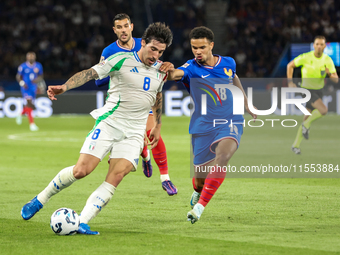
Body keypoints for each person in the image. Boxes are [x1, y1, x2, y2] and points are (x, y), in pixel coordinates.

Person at [21, 22, 173, 235]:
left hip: (135, 132)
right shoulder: (120, 60)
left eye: (161, 52)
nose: (156, 55)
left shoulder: (161, 71)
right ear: (143, 43)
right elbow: (90, 74)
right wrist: (64, 86)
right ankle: (39, 199)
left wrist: (157, 124)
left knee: (116, 176)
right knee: (81, 170)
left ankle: (82, 221)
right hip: (110, 123)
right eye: (153, 49)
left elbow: (157, 95)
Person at [167, 26, 256, 223]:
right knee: (199, 180)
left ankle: (199, 208)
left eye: (202, 47)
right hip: (203, 126)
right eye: (193, 48)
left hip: (231, 120)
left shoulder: (228, 62)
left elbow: (234, 78)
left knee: (223, 157)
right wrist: (165, 69)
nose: (197, 51)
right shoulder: (191, 68)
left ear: (211, 46)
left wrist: (246, 103)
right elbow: (175, 74)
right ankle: (198, 191)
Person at [96, 13, 177, 195]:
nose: (123, 30)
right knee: (130, 137)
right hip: (123, 99)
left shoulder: (146, 43)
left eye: (126, 26)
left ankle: (165, 178)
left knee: (152, 131)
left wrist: (167, 65)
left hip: (145, 95)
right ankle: (144, 155)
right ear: (114, 30)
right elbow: (98, 81)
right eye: (119, 27)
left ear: (131, 26)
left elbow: (158, 64)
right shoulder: (109, 52)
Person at [288, 36, 339, 154]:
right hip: (306, 90)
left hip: (318, 91)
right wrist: (290, 82)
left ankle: (295, 145)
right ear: (314, 45)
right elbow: (290, 65)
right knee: (323, 110)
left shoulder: (328, 60)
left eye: (322, 44)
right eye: (317, 44)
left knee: (307, 116)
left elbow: (336, 79)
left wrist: (330, 75)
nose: (319, 47)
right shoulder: (306, 57)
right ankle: (306, 125)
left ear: (325, 46)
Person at [16, 52, 44, 131]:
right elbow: (18, 76)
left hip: (33, 87)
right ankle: (32, 124)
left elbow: (41, 76)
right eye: (29, 57)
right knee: (29, 103)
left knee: (30, 105)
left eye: (32, 57)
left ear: (34, 58)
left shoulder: (38, 66)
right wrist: (22, 83)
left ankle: (20, 114)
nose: (31, 58)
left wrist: (37, 80)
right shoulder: (23, 66)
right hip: (26, 87)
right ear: (27, 58)